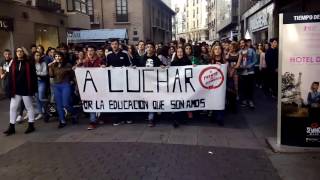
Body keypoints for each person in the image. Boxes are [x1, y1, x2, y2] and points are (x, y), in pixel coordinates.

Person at [3, 47, 38, 136]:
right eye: (17, 51)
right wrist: (9, 89)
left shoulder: (29, 63)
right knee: (13, 108)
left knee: (29, 107)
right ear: (16, 53)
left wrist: (33, 90)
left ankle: (31, 125)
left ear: (24, 53)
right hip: (16, 89)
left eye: (21, 51)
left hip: (26, 89)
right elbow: (10, 77)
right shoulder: (13, 63)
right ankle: (11, 127)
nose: (19, 52)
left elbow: (33, 77)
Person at [136, 42, 165, 127]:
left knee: (152, 100)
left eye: (151, 47)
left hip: (153, 84)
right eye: (147, 47)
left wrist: (162, 66)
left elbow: (162, 67)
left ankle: (151, 118)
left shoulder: (156, 59)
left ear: (153, 49)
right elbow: (136, 67)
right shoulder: (141, 58)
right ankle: (149, 116)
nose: (149, 49)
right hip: (144, 83)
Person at [106, 38, 132, 126]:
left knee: (125, 99)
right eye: (112, 44)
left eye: (116, 44)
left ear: (118, 45)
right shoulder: (108, 55)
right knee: (116, 99)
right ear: (111, 45)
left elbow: (130, 65)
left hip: (124, 80)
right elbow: (106, 66)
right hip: (114, 82)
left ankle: (128, 117)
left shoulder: (124, 53)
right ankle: (117, 118)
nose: (114, 46)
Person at [80, 46, 106, 130]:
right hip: (89, 87)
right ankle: (92, 121)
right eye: (88, 51)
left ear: (94, 51)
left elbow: (105, 69)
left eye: (91, 50)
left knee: (100, 101)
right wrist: (78, 69)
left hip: (99, 85)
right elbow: (78, 71)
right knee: (92, 102)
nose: (90, 52)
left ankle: (101, 117)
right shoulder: (84, 62)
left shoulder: (100, 60)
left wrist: (103, 67)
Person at [48, 51, 76, 128]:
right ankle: (62, 120)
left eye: (59, 56)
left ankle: (74, 113)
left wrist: (72, 82)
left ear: (62, 57)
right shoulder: (53, 65)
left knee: (65, 104)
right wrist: (50, 67)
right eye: (56, 56)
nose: (57, 58)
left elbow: (72, 74)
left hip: (66, 85)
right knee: (59, 105)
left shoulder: (67, 65)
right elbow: (51, 76)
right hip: (56, 86)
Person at [171, 47, 192, 128]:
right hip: (177, 86)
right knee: (177, 102)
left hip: (185, 85)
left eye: (181, 52)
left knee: (184, 101)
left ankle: (183, 118)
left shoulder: (187, 61)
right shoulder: (173, 63)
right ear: (176, 53)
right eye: (178, 52)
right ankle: (176, 119)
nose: (180, 53)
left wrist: (194, 67)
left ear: (183, 53)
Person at [236, 39, 257, 109]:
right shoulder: (239, 52)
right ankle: (244, 100)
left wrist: (249, 65)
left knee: (250, 87)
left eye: (242, 43)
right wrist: (240, 66)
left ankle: (250, 101)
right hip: (242, 72)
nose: (241, 44)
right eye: (240, 43)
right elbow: (238, 62)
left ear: (245, 43)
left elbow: (255, 60)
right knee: (243, 87)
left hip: (250, 71)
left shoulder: (251, 50)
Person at [209, 44, 226, 125]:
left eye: (219, 48)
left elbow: (228, 72)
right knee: (213, 99)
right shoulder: (210, 60)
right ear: (213, 50)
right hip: (212, 84)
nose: (217, 50)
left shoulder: (224, 60)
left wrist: (223, 66)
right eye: (215, 49)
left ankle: (220, 117)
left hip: (221, 85)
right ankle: (214, 114)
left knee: (220, 99)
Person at [34, 51, 49, 122]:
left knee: (41, 97)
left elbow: (44, 73)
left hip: (41, 82)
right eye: (36, 55)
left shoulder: (43, 63)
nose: (38, 57)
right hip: (34, 82)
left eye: (39, 55)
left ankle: (46, 110)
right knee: (37, 99)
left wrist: (36, 73)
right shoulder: (31, 63)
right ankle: (40, 113)